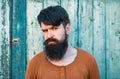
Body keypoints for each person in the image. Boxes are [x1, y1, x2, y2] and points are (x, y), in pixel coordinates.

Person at [26, 5, 100, 79]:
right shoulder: (35, 64)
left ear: (67, 29)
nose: (49, 35)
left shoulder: (88, 60)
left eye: (54, 29)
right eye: (45, 31)